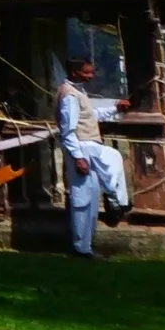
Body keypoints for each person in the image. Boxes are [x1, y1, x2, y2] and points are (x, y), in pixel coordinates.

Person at [55, 55, 113, 258]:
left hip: (88, 149)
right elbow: (68, 130)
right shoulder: (70, 95)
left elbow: (90, 116)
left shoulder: (79, 93)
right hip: (80, 150)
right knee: (82, 199)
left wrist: (115, 109)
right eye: (87, 72)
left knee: (92, 197)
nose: (91, 76)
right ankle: (80, 247)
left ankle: (86, 244)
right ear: (75, 72)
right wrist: (78, 156)